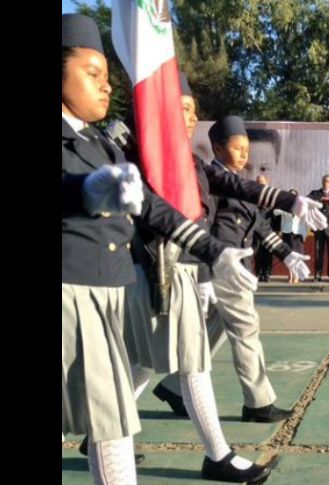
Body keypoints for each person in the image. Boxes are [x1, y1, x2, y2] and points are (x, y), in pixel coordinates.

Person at [62, 15, 267, 484]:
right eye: (91, 73)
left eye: (107, 75)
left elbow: (157, 207)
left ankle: (215, 454)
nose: (105, 85)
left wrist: (215, 252)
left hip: (108, 290)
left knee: (111, 422)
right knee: (109, 417)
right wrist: (87, 191)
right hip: (74, 294)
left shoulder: (102, 144)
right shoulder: (106, 146)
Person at [152, 115, 314, 431]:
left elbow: (261, 228)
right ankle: (259, 402)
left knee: (211, 331)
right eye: (237, 148)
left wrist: (287, 253)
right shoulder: (213, 176)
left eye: (246, 149)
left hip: (237, 266)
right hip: (221, 266)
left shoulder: (240, 181)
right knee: (245, 328)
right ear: (216, 148)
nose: (244, 155)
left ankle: (172, 387)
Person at [274, 189, 309, 283]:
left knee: (298, 255)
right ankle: (290, 275)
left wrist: (305, 234)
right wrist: (284, 212)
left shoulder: (301, 206)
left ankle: (296, 276)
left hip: (298, 233)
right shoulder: (284, 206)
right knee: (288, 256)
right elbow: (276, 213)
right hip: (287, 232)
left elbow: (305, 221)